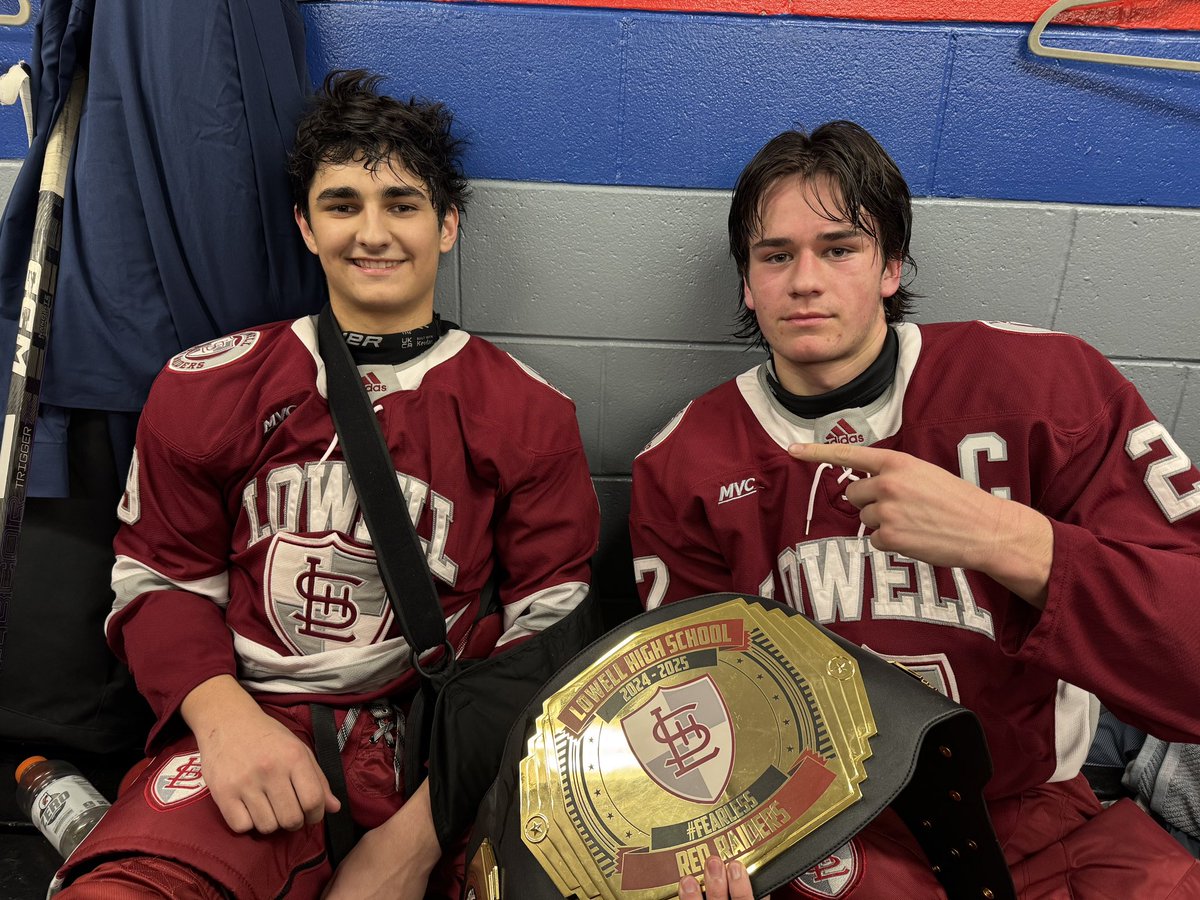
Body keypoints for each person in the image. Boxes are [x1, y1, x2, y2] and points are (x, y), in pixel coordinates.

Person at [52, 69, 599, 899]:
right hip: (252, 728)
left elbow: (550, 645)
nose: (372, 232)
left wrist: (413, 841)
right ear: (307, 226)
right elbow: (159, 578)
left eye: (402, 204)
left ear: (448, 225)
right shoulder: (211, 387)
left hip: (437, 755)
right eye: (343, 204)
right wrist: (222, 719)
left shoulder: (526, 412)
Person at [630, 121, 1200, 897]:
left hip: (1036, 819)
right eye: (776, 255)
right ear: (746, 283)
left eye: (839, 249)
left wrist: (1016, 541)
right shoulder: (683, 461)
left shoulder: (1047, 388)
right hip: (826, 839)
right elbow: (697, 714)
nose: (804, 280)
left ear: (892, 265)